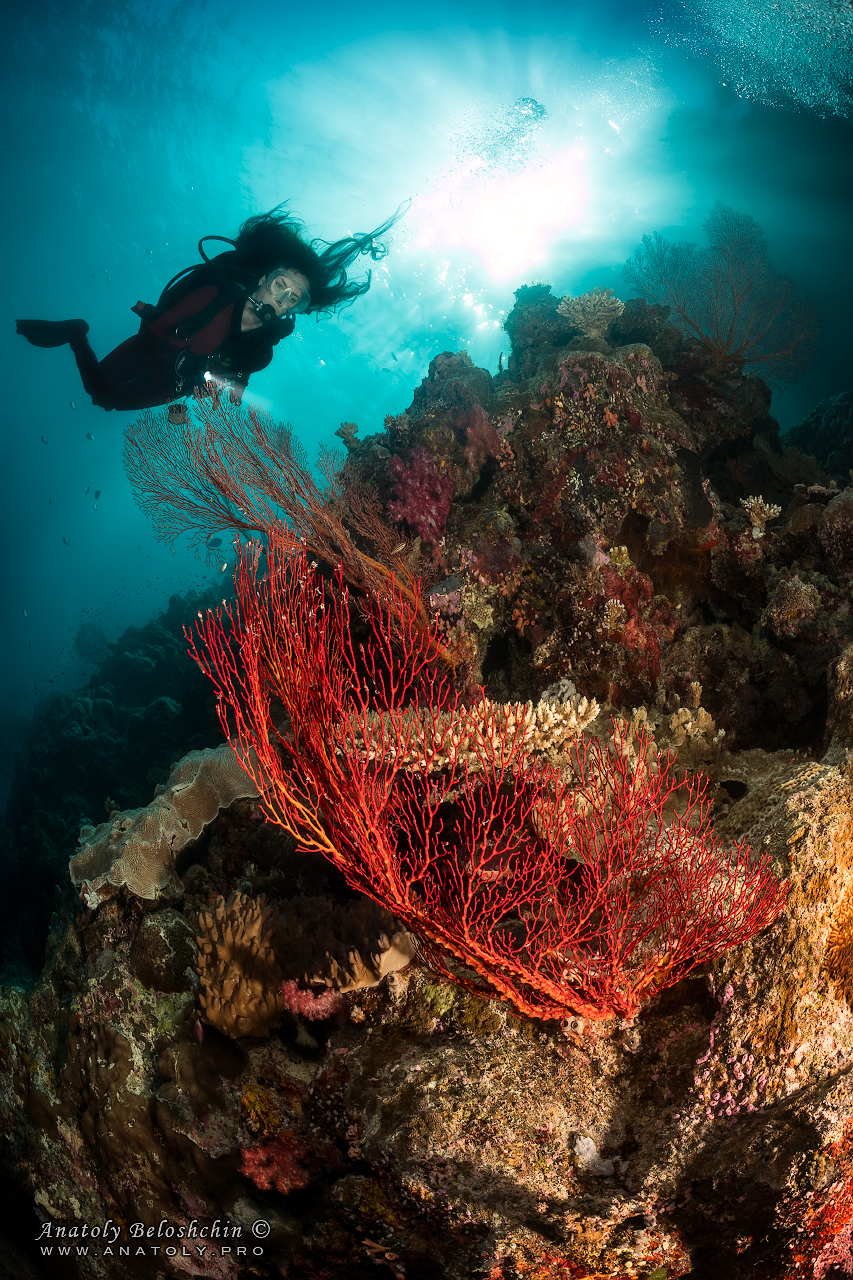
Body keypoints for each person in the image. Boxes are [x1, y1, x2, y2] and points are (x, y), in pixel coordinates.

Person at [16, 203, 406, 412]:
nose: (281, 298)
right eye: (279, 284)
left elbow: (236, 377)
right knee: (100, 391)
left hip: (173, 386)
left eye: (293, 299)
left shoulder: (263, 349)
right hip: (150, 352)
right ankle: (75, 332)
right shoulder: (216, 295)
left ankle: (75, 335)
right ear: (261, 279)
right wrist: (186, 358)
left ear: (295, 311)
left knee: (104, 401)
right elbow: (157, 329)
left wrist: (228, 386)